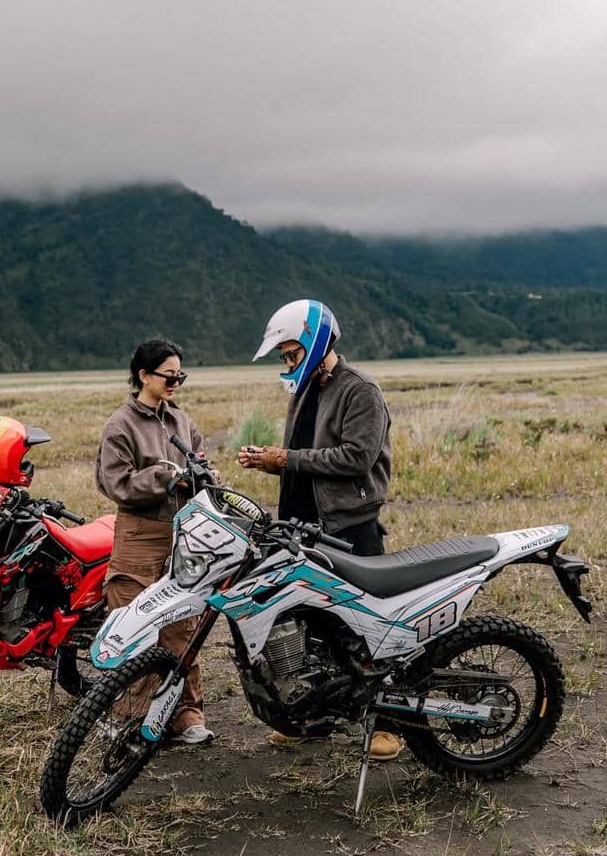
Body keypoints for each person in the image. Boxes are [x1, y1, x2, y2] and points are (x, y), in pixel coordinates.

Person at [237, 298, 401, 760]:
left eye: (291, 353)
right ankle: (314, 717)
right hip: (303, 525)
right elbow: (308, 460)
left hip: (348, 526)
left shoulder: (359, 390)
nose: (288, 362)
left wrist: (285, 458)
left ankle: (389, 724)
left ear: (315, 343)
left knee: (367, 626)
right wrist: (269, 463)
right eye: (284, 356)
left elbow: (356, 458)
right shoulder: (306, 390)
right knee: (311, 622)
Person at [95, 337, 214, 745]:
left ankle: (185, 714)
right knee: (133, 624)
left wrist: (203, 477)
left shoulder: (181, 421)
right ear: (144, 376)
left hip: (182, 534)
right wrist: (167, 477)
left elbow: (201, 462)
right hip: (140, 535)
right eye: (169, 375)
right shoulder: (120, 425)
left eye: (180, 374)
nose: (176, 381)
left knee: (183, 623)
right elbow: (117, 483)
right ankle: (128, 718)